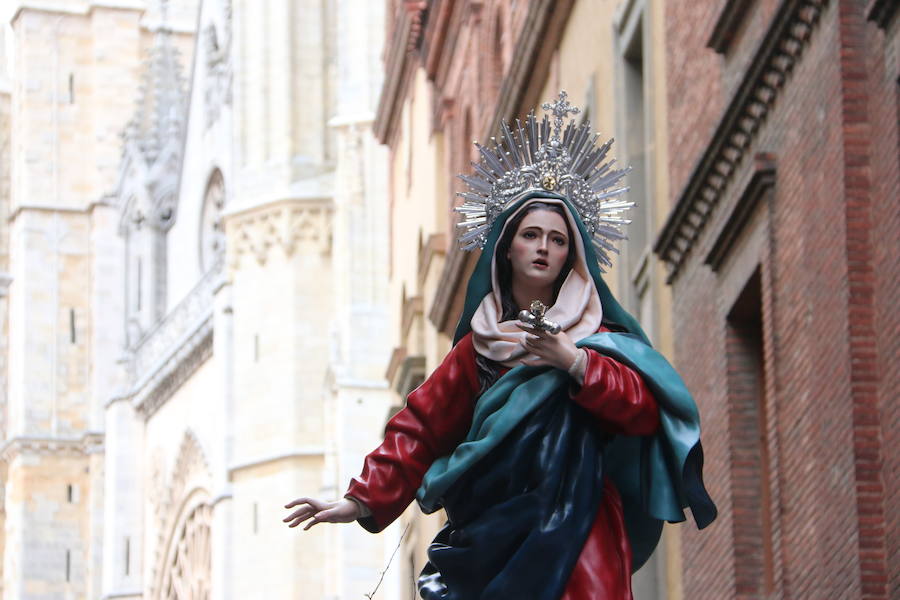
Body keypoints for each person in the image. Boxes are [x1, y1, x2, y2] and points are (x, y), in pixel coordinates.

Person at [284, 94, 716, 599]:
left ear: (571, 253)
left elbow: (643, 411)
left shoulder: (597, 339)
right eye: (532, 234)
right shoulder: (479, 348)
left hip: (579, 525)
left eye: (558, 239)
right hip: (493, 530)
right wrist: (361, 500)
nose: (544, 247)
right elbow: (420, 427)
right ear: (507, 246)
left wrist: (574, 362)